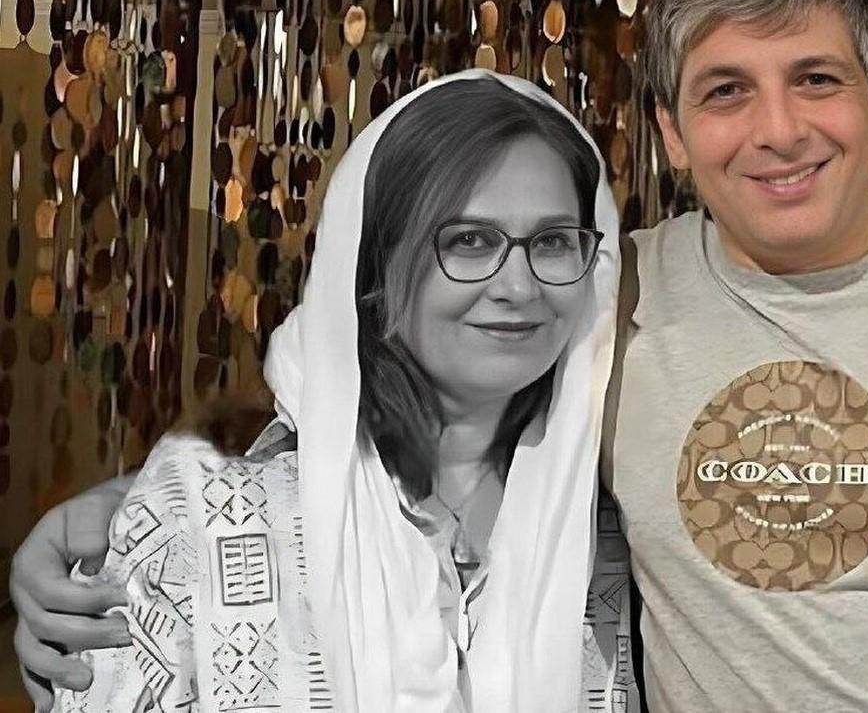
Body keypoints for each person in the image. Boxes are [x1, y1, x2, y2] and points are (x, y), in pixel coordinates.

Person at [11, 0, 868, 713]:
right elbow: (389, 402)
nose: (779, 130)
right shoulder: (602, 290)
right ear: (672, 133)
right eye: (726, 92)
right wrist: (122, 514)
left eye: (817, 80)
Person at [18, 69, 639, 712]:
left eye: (553, 242)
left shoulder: (617, 529)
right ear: (374, 264)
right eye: (469, 241)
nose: (518, 287)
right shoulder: (199, 517)